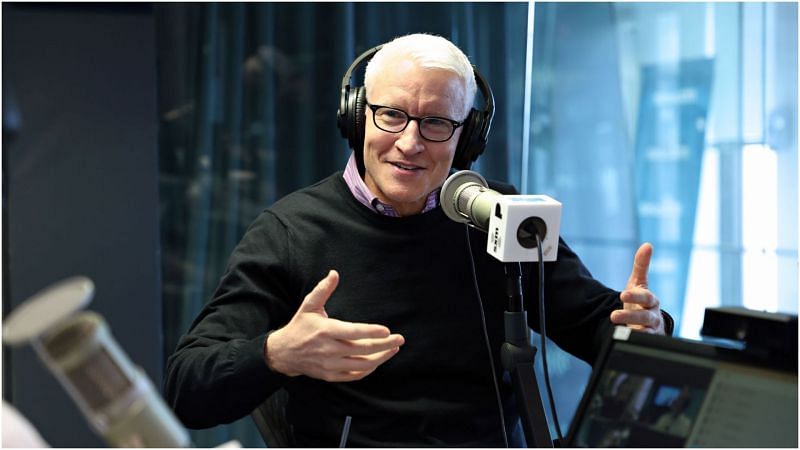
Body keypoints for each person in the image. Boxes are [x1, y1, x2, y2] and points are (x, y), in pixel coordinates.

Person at [163, 33, 672, 447]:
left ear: (466, 136)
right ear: (358, 114)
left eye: (435, 123)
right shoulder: (291, 231)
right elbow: (189, 385)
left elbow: (598, 328)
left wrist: (643, 327)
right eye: (392, 115)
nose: (409, 143)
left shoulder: (496, 214)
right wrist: (276, 353)